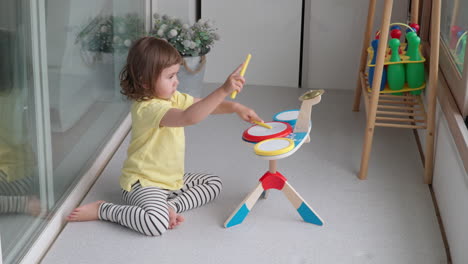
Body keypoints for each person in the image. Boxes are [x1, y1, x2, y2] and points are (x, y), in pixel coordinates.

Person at [67, 36, 263, 236]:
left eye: (176, 75)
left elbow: (203, 105)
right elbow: (189, 117)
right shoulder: (148, 108)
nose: (176, 81)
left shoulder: (171, 97)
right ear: (144, 81)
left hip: (169, 181)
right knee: (156, 225)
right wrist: (223, 90)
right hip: (142, 183)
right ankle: (103, 209)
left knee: (213, 183)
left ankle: (170, 207)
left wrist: (236, 107)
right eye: (170, 77)